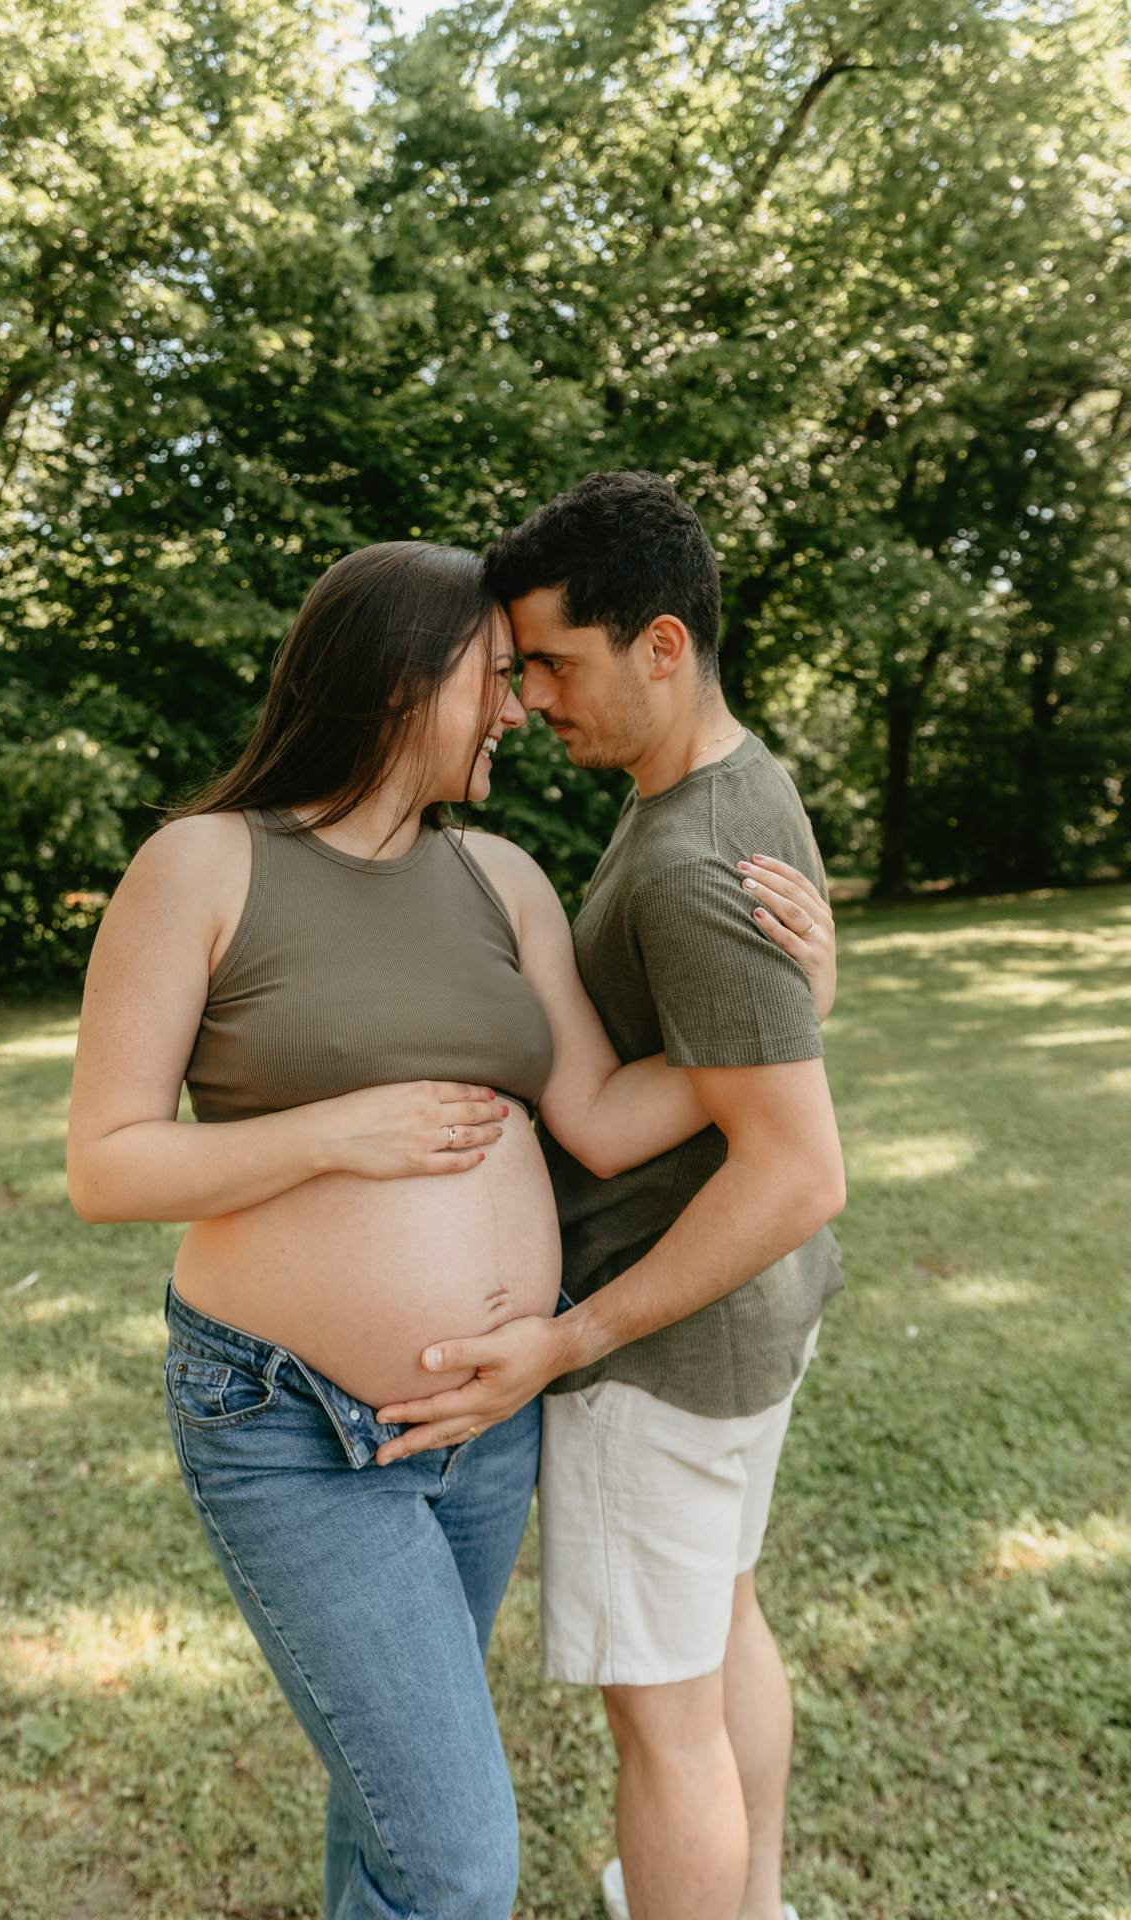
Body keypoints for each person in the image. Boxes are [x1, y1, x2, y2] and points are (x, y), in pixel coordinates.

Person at [65, 539, 832, 1920]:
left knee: (395, 1808)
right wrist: (331, 1135)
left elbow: (597, 1112)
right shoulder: (202, 866)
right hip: (291, 1425)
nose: (518, 708)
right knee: (458, 1858)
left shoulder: (501, 878)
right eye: (493, 677)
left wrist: (784, 1011)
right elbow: (106, 1167)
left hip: (484, 1430)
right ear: (404, 685)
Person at [372, 474, 846, 1920]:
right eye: (515, 672)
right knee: (724, 1628)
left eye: (554, 665)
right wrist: (815, 996)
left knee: (662, 1717)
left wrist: (572, 1343)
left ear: (659, 646)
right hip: (747, 1338)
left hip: (664, 1355)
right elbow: (739, 1062)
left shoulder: (696, 858)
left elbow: (797, 1166)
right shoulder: (722, 790)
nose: (529, 701)